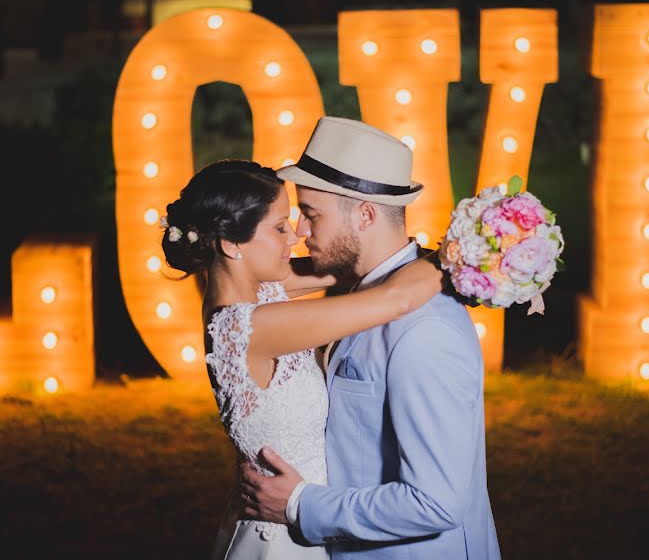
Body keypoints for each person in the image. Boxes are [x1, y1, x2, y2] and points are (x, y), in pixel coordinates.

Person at [240, 116, 502, 558]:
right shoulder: (367, 289)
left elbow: (436, 502)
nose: (301, 232)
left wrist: (300, 503)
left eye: (311, 214)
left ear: (364, 215)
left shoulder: (424, 330)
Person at [160, 158, 443, 560]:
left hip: (303, 522)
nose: (294, 237)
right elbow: (395, 300)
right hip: (281, 542)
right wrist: (469, 256)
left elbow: (340, 269)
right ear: (231, 243)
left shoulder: (255, 290)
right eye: (279, 228)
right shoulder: (249, 327)